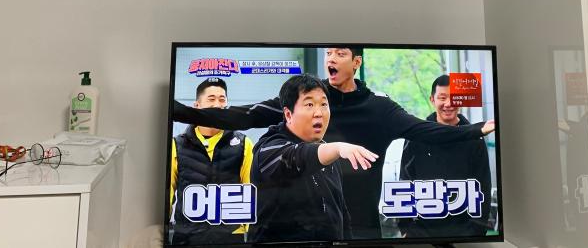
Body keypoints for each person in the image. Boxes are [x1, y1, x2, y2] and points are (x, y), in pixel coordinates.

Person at [173, 47, 495, 239]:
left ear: (356, 62)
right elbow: (244, 116)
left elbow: (424, 130)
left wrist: (476, 130)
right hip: (291, 230)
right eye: (328, 52)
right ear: (290, 112)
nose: (331, 58)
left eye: (340, 53)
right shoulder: (299, 104)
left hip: (360, 227)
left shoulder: (379, 108)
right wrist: (179, 111)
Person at [249, 74, 377, 243]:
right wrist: (338, 148)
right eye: (309, 105)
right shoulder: (269, 149)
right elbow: (297, 157)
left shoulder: (327, 153)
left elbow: (340, 213)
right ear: (288, 114)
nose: (319, 113)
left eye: (324, 104)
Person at [398, 75, 492, 239]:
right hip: (422, 231)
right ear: (432, 99)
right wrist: (406, 227)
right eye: (442, 98)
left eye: (454, 98)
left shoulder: (475, 138)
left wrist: (477, 230)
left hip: (464, 232)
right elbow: (405, 181)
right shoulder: (416, 137)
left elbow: (483, 186)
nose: (448, 104)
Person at [170, 77, 254, 245]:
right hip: (186, 238)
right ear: (196, 106)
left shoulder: (244, 143)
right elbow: (167, 196)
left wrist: (250, 236)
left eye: (222, 99)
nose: (217, 105)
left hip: (231, 238)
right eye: (211, 99)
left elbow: (252, 194)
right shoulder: (177, 145)